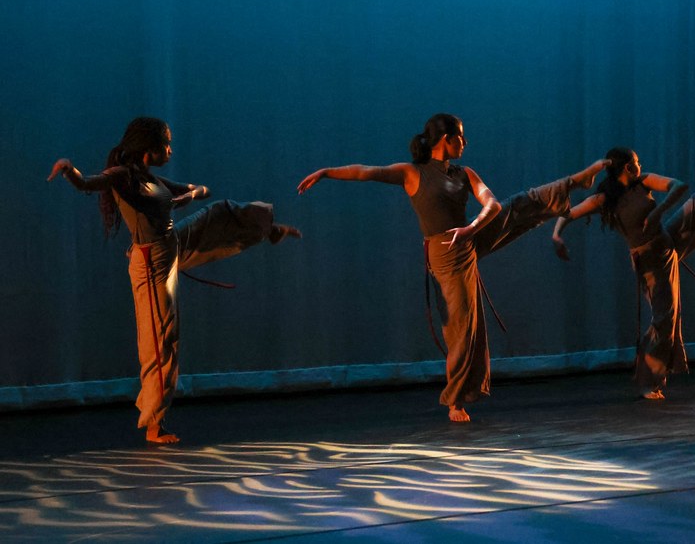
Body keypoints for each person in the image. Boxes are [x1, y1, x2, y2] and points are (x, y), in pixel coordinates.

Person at [298, 113, 606, 423]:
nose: (465, 142)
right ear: (445, 139)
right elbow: (366, 172)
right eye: (460, 136)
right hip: (445, 253)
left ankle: (574, 182)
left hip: (469, 236)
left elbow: (493, 204)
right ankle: (455, 399)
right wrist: (326, 172)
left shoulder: (464, 173)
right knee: (462, 326)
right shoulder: (411, 172)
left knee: (517, 206)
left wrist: (472, 228)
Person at [48, 117, 301, 444]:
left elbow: (193, 191)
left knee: (220, 212)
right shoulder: (122, 177)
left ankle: (269, 228)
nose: (169, 149)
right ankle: (154, 423)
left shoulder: (149, 178)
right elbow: (88, 184)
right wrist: (69, 170)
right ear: (147, 149)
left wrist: (194, 192)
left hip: (170, 246)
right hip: (152, 261)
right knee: (162, 339)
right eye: (164, 145)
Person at [552, 142, 695, 399]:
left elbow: (678, 186)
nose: (640, 166)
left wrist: (658, 212)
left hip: (666, 243)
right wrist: (557, 236)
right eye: (636, 162)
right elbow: (568, 213)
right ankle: (649, 380)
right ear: (627, 167)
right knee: (665, 317)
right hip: (649, 261)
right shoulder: (604, 199)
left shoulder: (644, 182)